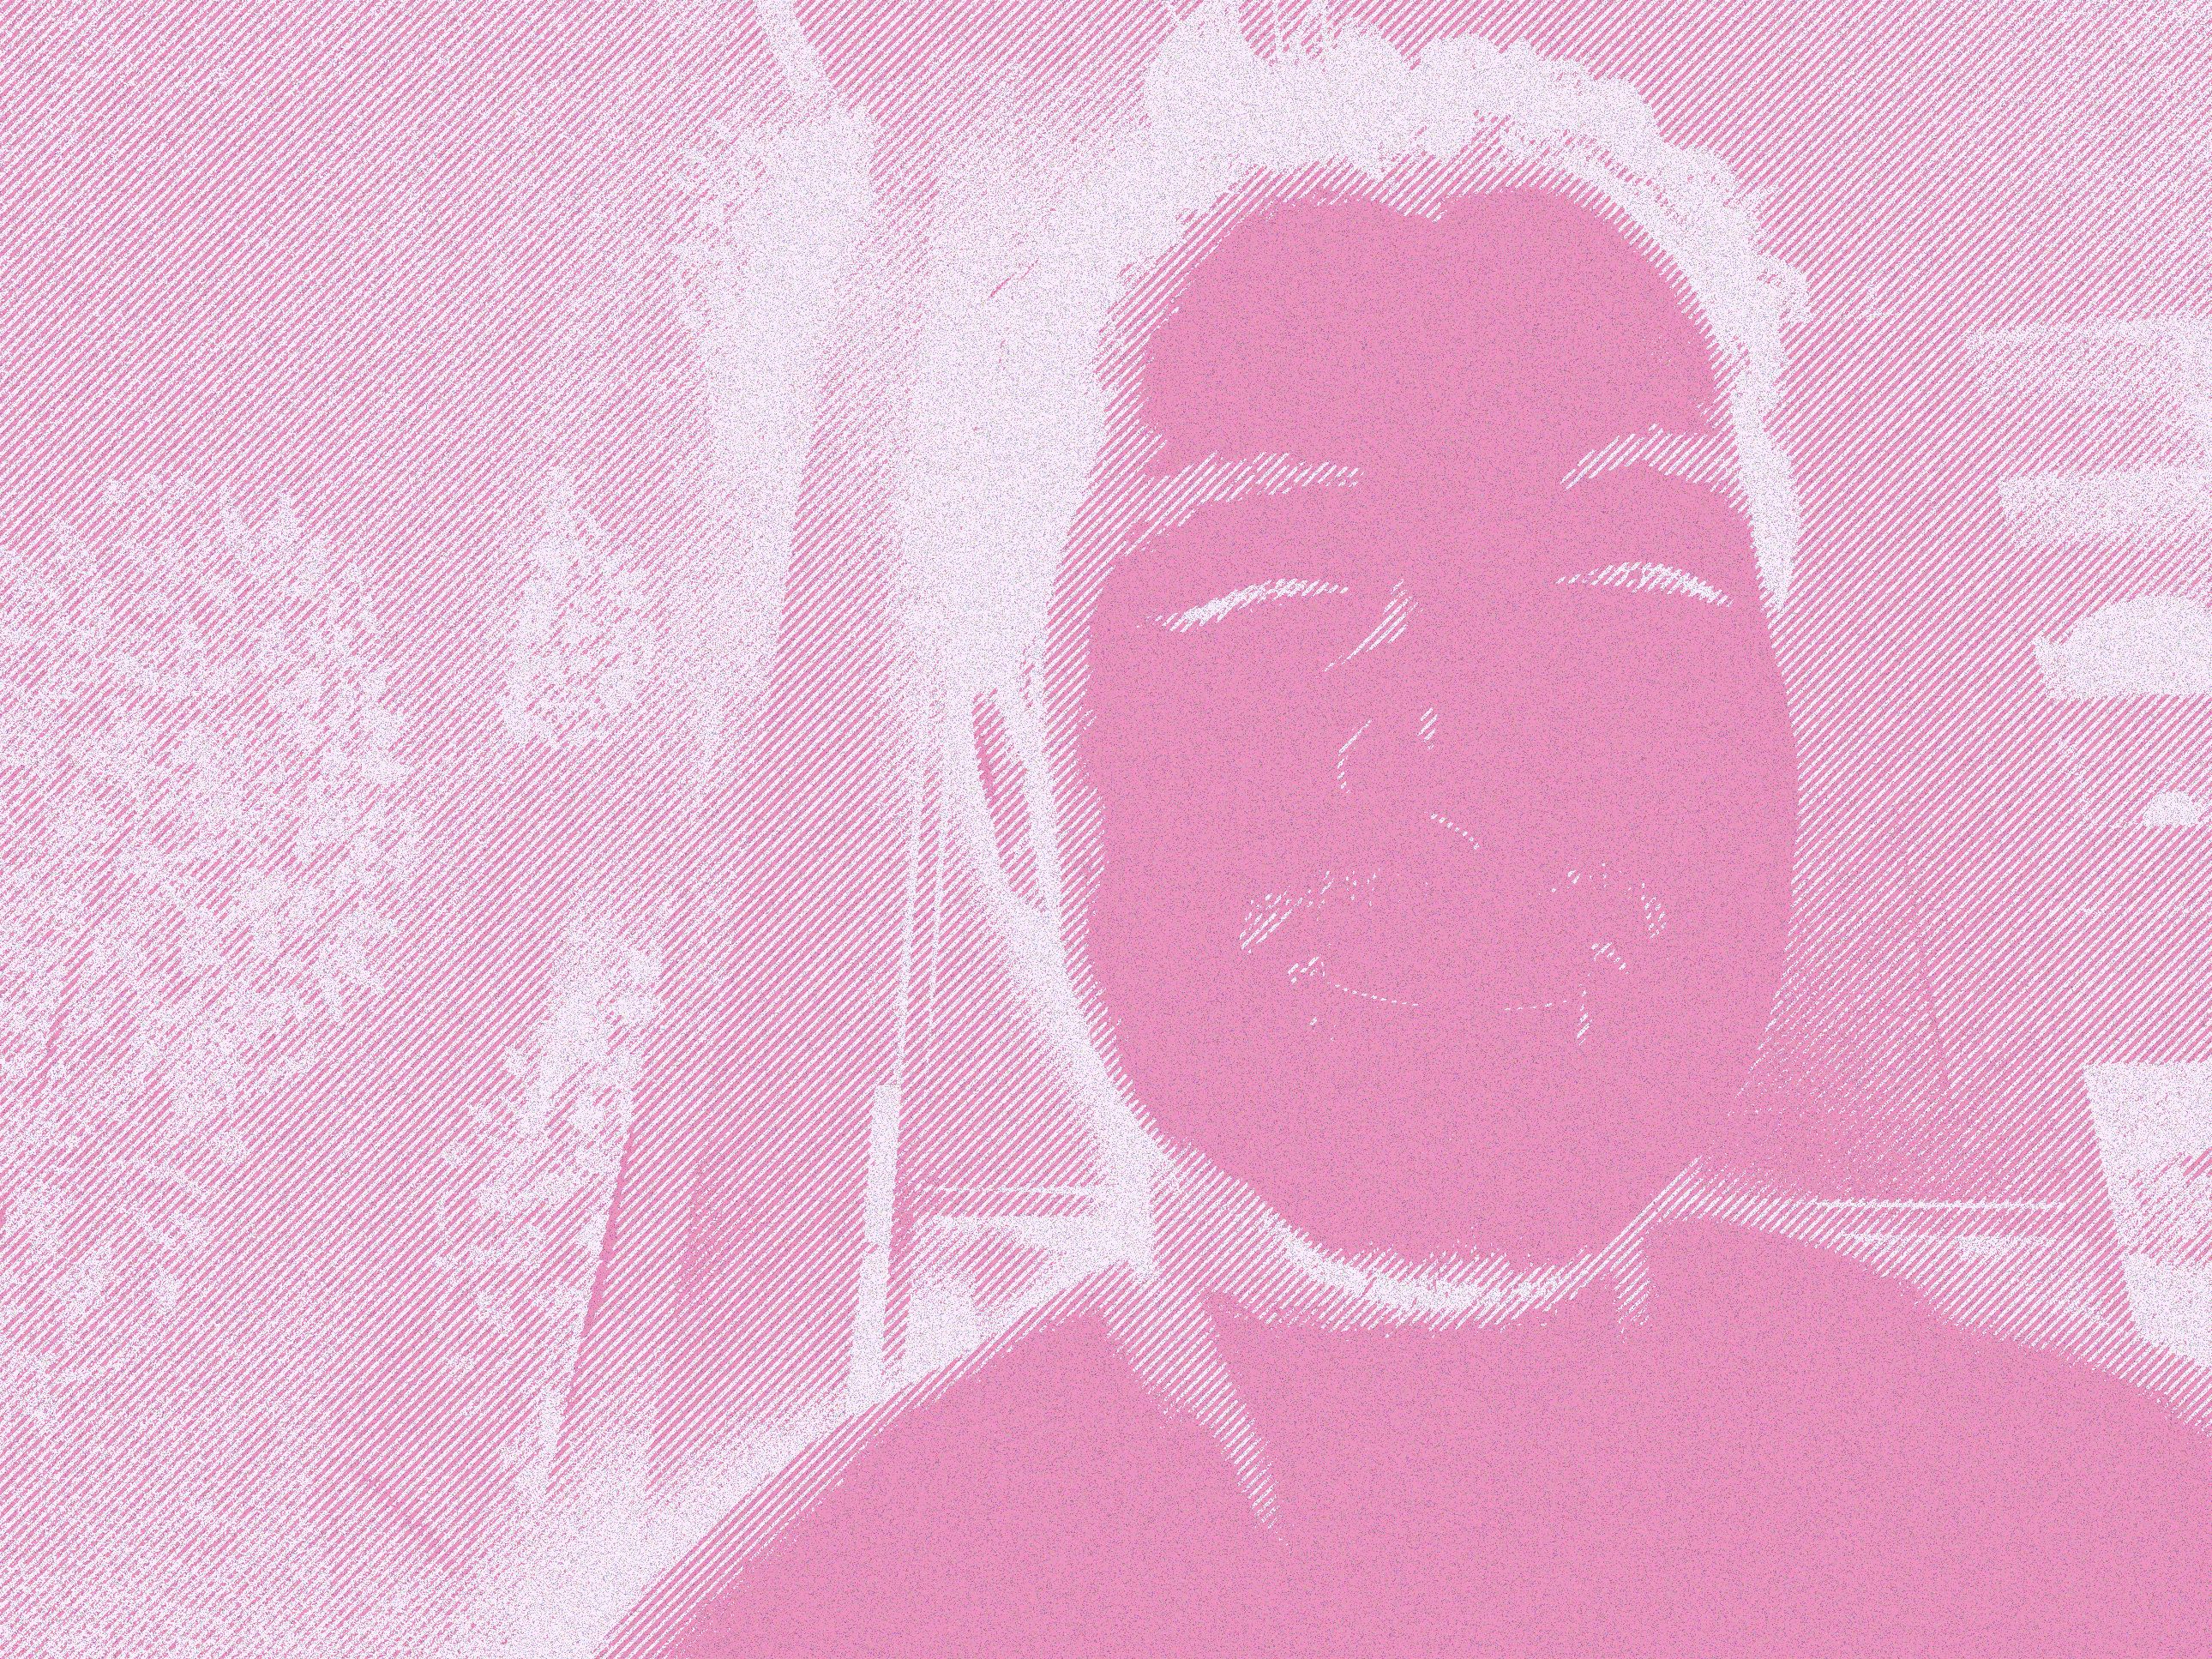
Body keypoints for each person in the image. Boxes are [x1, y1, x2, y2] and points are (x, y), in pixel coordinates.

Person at [604, 9, 2212, 1656]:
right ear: (1014, 786)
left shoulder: (2142, 1537)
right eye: (1269, 605)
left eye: (1636, 592)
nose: (1482, 758)